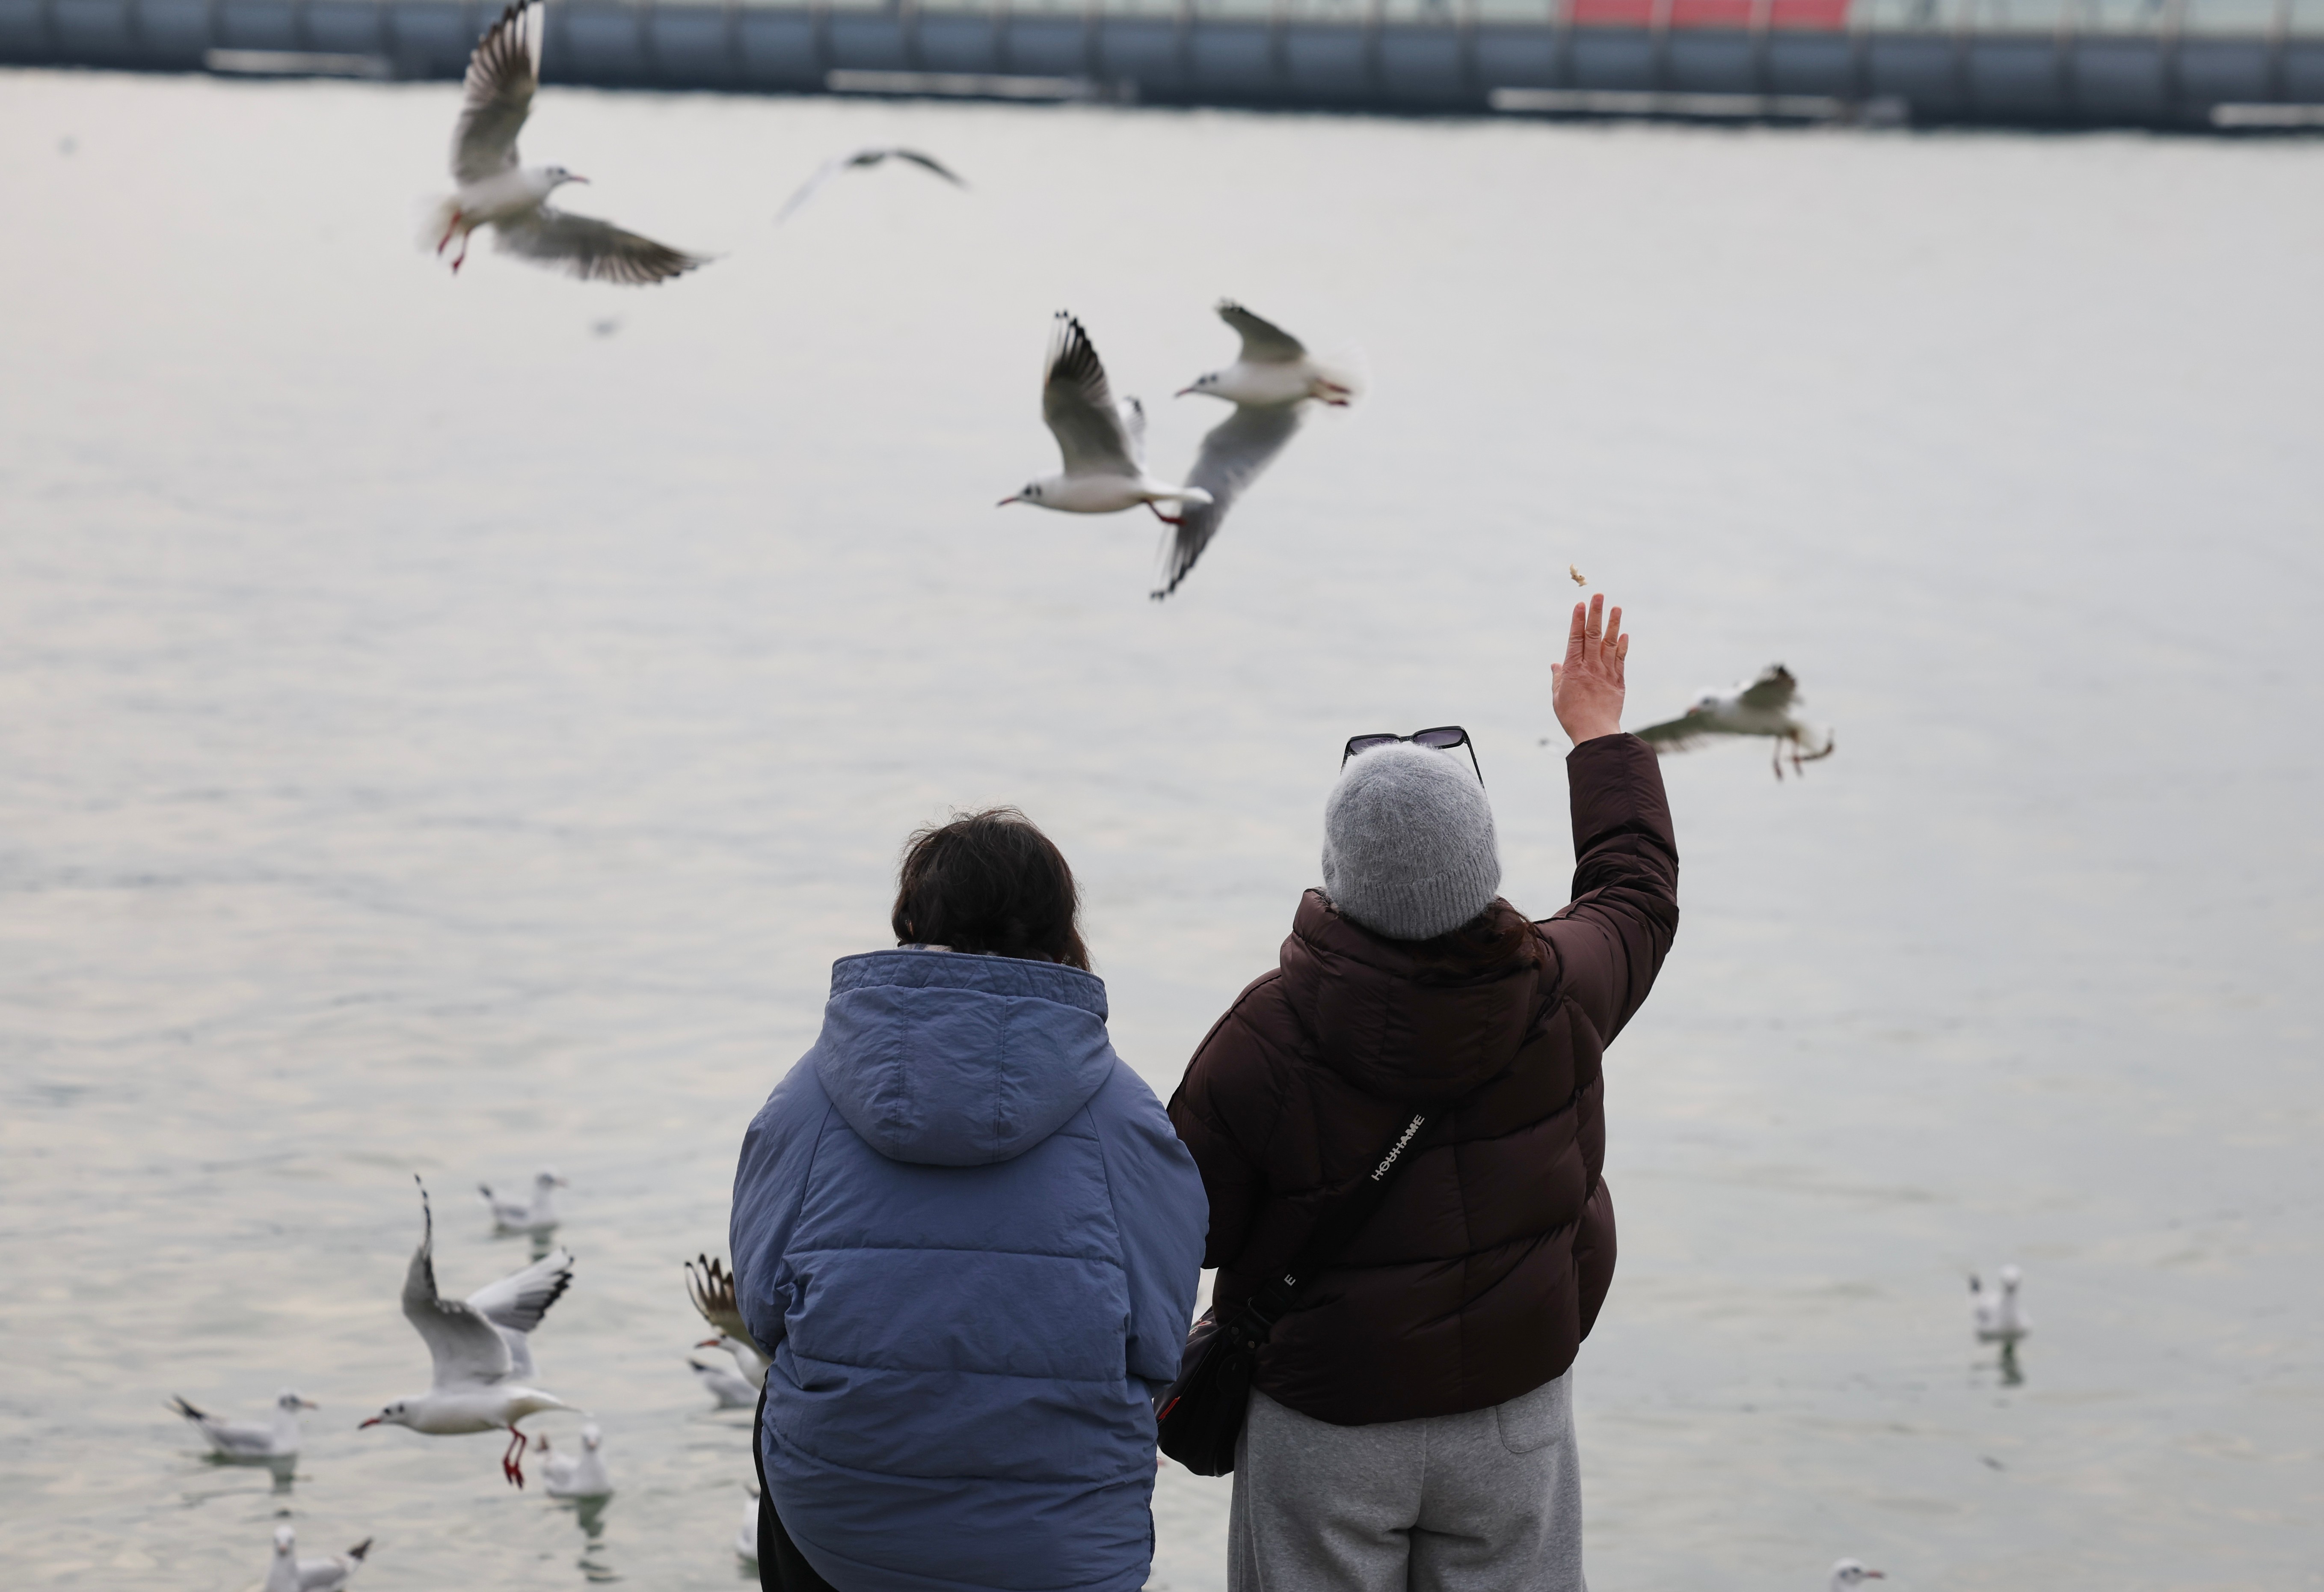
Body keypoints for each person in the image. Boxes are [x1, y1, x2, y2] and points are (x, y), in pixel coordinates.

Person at [1167, 593, 1679, 1592]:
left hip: (1325, 1419)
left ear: (1337, 874)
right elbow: (1638, 889)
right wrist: (1597, 735)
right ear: (1482, 862)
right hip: (1512, 1411)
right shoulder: (1564, 987)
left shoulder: (1262, 1036)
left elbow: (1190, 1229)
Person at [729, 809, 1208, 1592]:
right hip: (1055, 1546)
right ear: (1060, 938)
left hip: (839, 1529)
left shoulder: (804, 1100)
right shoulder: (1127, 1118)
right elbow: (1158, 1345)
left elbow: (763, 1314)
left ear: (912, 925)